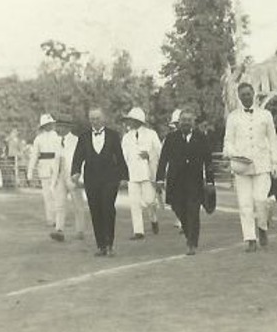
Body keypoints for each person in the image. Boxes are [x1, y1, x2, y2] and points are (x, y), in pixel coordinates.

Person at [223, 81, 277, 251]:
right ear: (239, 97)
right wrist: (234, 153)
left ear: (253, 93)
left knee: (260, 199)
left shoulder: (266, 115)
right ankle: (250, 238)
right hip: (242, 166)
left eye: (248, 94)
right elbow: (228, 141)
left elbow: (273, 140)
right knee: (245, 203)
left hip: (262, 165)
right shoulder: (233, 117)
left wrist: (276, 162)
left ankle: (262, 226)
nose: (246, 97)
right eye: (242, 95)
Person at [70, 107, 129, 257]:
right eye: (92, 119)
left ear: (103, 119)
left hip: (110, 179)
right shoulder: (83, 137)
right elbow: (77, 157)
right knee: (95, 210)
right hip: (91, 179)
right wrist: (75, 172)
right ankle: (101, 245)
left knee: (108, 209)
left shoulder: (113, 135)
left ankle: (109, 244)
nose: (94, 122)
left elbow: (120, 157)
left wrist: (124, 177)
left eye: (97, 118)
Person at [155, 106, 213, 254]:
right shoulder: (171, 138)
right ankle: (189, 235)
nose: (186, 123)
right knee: (178, 209)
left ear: (193, 122)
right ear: (178, 122)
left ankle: (192, 242)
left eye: (189, 120)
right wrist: (159, 179)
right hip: (176, 182)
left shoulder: (201, 138)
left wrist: (210, 181)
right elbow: (163, 160)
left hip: (195, 182)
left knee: (193, 211)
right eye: (183, 120)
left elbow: (208, 161)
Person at [121, 106, 162, 239]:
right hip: (132, 174)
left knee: (150, 201)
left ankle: (153, 218)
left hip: (147, 173)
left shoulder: (151, 134)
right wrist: (123, 173)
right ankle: (138, 231)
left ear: (138, 121)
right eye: (129, 120)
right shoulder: (126, 137)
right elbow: (123, 156)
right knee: (134, 203)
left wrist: (149, 155)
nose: (129, 122)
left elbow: (160, 152)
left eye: (132, 120)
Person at [27, 112, 68, 242]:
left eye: (51, 124)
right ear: (43, 126)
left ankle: (58, 220)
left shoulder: (58, 137)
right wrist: (30, 170)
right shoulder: (38, 139)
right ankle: (50, 219)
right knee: (47, 195)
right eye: (47, 124)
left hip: (56, 167)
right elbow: (34, 155)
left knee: (57, 194)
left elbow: (63, 155)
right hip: (44, 167)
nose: (49, 126)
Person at [56, 118, 87, 240]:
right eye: (59, 126)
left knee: (78, 204)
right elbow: (56, 160)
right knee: (60, 204)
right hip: (60, 176)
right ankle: (59, 230)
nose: (60, 129)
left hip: (73, 175)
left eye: (63, 126)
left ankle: (80, 230)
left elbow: (82, 160)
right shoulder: (57, 141)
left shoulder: (76, 140)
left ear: (69, 128)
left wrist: (80, 176)